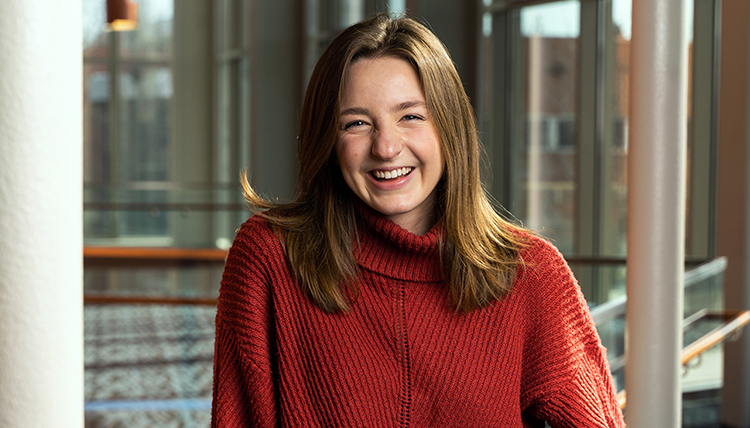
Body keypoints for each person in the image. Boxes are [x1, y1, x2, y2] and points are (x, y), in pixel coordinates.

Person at [211, 13, 625, 428]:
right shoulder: (268, 258)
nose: (387, 147)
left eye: (410, 116)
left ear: (449, 126)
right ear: (328, 140)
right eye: (356, 123)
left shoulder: (532, 274)